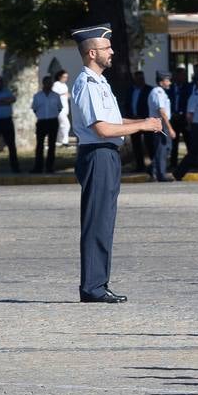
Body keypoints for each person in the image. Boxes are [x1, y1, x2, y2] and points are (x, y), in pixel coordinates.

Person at [69, 24, 162, 303]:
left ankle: (99, 283)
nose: (112, 52)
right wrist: (142, 125)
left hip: (106, 155)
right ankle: (92, 287)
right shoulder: (86, 84)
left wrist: (144, 124)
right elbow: (102, 129)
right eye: (107, 48)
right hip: (97, 154)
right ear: (92, 52)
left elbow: (115, 121)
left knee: (105, 221)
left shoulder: (100, 83)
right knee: (97, 221)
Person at [147, 70, 176, 181]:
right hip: (160, 124)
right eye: (167, 80)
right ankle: (160, 173)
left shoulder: (161, 92)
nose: (169, 83)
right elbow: (162, 111)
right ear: (161, 81)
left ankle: (154, 170)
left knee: (164, 148)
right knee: (162, 149)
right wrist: (170, 128)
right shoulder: (158, 92)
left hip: (161, 123)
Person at [30, 75, 62, 173]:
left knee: (52, 145)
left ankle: (50, 167)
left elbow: (59, 108)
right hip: (42, 122)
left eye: (50, 83)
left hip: (53, 121)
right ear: (43, 83)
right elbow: (34, 108)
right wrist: (41, 115)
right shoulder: (37, 96)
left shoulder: (56, 96)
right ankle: (38, 167)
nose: (49, 84)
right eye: (47, 82)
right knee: (39, 145)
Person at [125, 70, 151, 172]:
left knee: (150, 144)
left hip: (145, 120)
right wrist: (131, 117)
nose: (140, 80)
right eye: (138, 79)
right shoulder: (131, 90)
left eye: (142, 78)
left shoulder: (149, 90)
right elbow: (127, 104)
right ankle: (140, 166)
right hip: (133, 121)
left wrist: (143, 117)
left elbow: (150, 106)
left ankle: (152, 166)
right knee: (136, 145)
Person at [168, 67, 191, 168]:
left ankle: (191, 162)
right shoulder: (171, 88)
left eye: (183, 75)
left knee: (189, 141)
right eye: (179, 75)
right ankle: (173, 163)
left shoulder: (188, 87)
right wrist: (173, 113)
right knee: (174, 143)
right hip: (174, 118)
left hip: (184, 117)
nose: (181, 77)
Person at [52, 69, 72, 146]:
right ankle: (65, 141)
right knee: (66, 124)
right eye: (64, 77)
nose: (65, 79)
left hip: (65, 108)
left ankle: (59, 141)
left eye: (66, 77)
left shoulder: (64, 85)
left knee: (62, 125)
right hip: (59, 109)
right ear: (59, 77)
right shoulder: (56, 84)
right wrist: (64, 94)